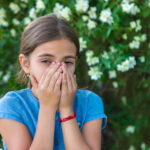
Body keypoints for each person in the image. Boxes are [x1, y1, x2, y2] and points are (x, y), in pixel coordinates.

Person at [0, 13, 107, 150]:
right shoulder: (11, 106)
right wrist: (48, 108)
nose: (59, 70)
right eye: (46, 61)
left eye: (68, 62)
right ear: (26, 64)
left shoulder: (90, 102)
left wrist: (66, 109)